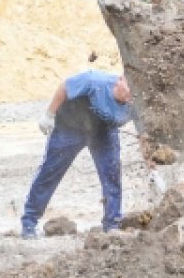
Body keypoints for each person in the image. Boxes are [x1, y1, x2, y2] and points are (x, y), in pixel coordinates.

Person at [20, 70, 133, 239]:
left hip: (103, 132)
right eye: (130, 91)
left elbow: (142, 133)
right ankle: (29, 222)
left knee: (112, 175)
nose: (131, 98)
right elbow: (65, 87)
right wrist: (49, 115)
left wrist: (150, 162)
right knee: (49, 173)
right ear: (121, 81)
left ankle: (112, 225)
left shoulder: (137, 103)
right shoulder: (93, 81)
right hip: (69, 128)